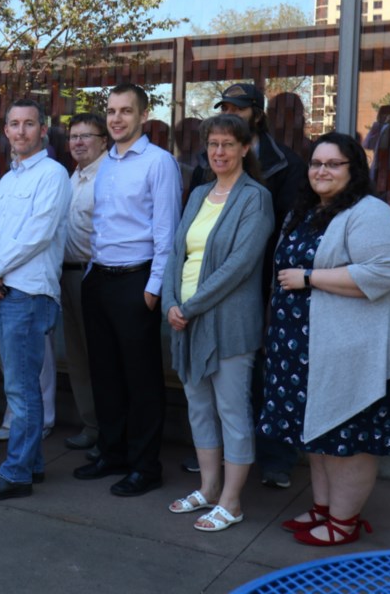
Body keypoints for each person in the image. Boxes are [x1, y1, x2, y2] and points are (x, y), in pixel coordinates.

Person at [259, 132, 390, 546]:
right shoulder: (309, 210)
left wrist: (310, 278)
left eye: (333, 164)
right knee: (318, 433)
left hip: (356, 352)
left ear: (354, 170)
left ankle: (344, 522)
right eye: (316, 163)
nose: (322, 171)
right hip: (306, 349)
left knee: (348, 440)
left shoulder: (370, 212)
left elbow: (385, 271)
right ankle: (324, 509)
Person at [188, 82, 306, 489]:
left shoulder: (285, 163)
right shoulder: (206, 166)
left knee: (264, 375)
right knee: (209, 381)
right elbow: (185, 234)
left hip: (265, 282)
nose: (231, 113)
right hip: (205, 288)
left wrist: (276, 286)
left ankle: (274, 459)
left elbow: (287, 228)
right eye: (225, 107)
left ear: (257, 113)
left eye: (238, 109)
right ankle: (212, 460)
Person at [161, 114, 274, 532]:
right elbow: (177, 254)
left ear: (246, 148)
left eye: (228, 144)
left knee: (232, 410)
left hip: (227, 324)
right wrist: (171, 302)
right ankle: (208, 489)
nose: (219, 152)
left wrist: (189, 307)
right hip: (184, 320)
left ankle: (232, 500)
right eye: (213, 144)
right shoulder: (199, 194)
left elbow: (239, 266)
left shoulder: (255, 198)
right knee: (199, 408)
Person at [74, 84, 181, 497]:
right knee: (106, 376)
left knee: (141, 380)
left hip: (137, 281)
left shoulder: (159, 163)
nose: (117, 118)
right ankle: (112, 453)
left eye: (125, 111)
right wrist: (90, 275)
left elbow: (166, 232)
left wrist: (153, 288)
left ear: (143, 114)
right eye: (112, 111)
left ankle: (145, 466)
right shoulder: (109, 164)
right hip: (99, 279)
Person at [0, 99, 71, 502]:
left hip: (29, 292)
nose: (21, 131)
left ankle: (16, 475)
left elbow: (39, 234)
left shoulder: (53, 174)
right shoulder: (8, 179)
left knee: (22, 390)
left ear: (42, 130)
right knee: (20, 386)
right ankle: (31, 464)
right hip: (5, 288)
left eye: (30, 124)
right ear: (6, 131)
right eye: (14, 124)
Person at [60, 113, 107, 452]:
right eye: (73, 136)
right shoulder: (71, 178)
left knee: (102, 359)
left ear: (103, 140)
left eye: (86, 135)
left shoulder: (108, 177)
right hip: (66, 275)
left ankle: (109, 430)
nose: (78, 142)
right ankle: (91, 425)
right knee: (78, 357)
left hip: (96, 277)